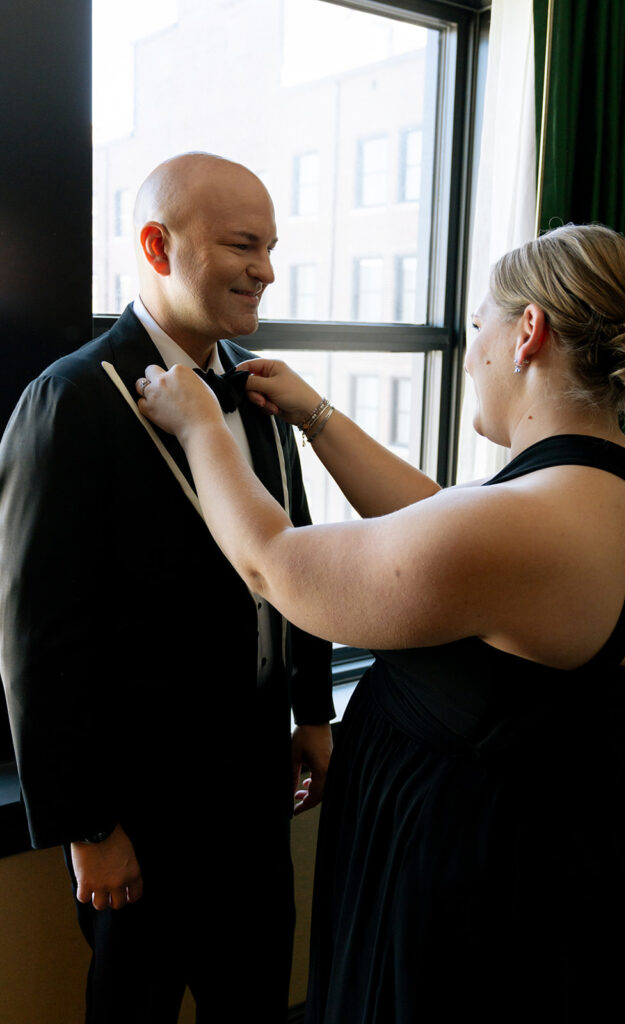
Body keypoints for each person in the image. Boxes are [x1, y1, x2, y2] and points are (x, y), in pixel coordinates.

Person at [137, 223, 625, 1023]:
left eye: (473, 329)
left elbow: (274, 563)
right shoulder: (618, 485)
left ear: (526, 331)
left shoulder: (517, 524)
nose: (469, 354)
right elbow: (439, 528)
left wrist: (201, 429)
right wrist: (317, 416)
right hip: (569, 846)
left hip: (470, 880)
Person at [0, 152, 333, 1022]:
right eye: (242, 245)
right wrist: (89, 830)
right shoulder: (66, 401)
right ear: (156, 245)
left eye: (270, 247)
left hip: (258, 792)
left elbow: (292, 548)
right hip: (139, 815)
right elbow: (38, 645)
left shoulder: (261, 389)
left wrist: (309, 711)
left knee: (257, 1000)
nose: (265, 270)